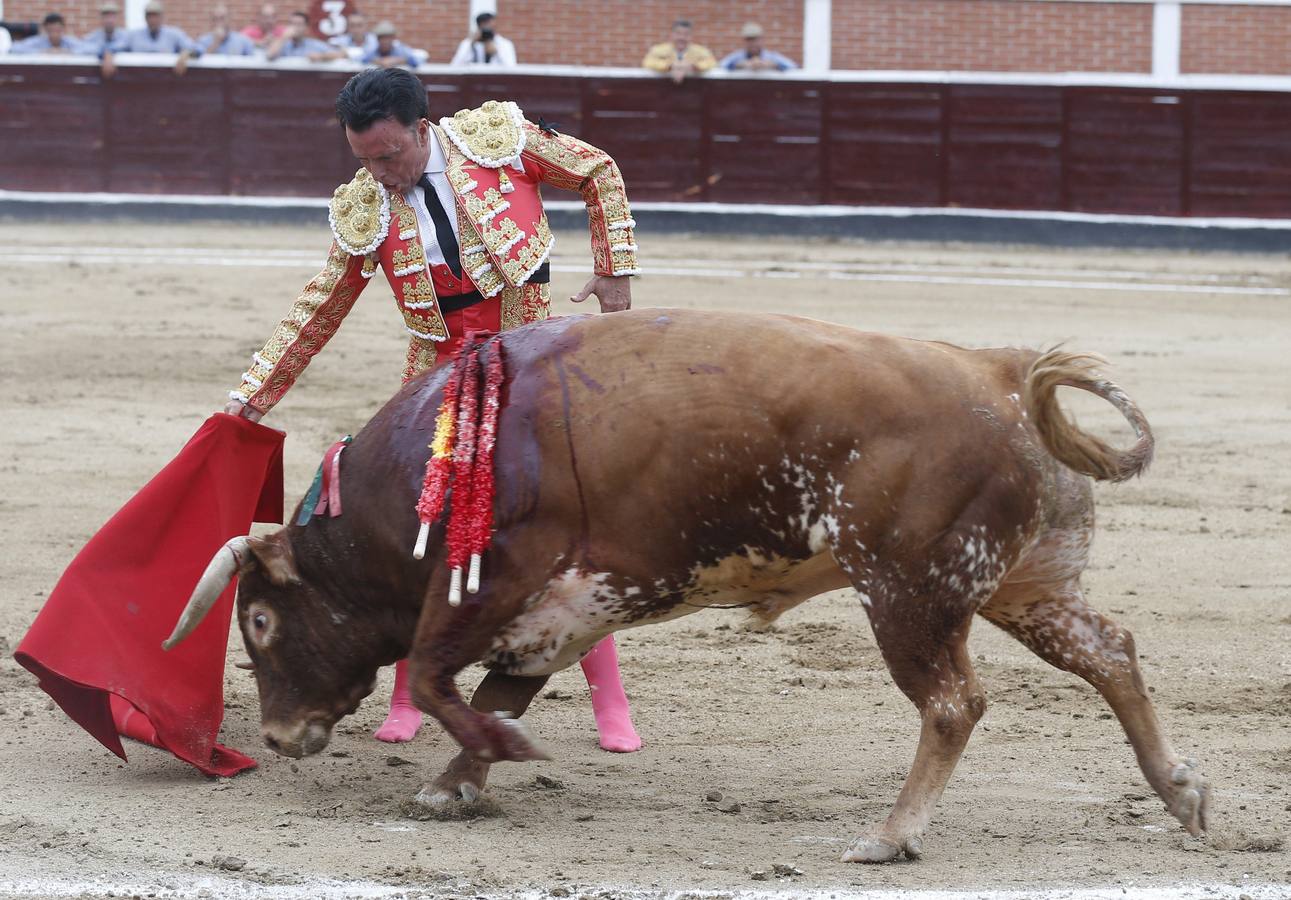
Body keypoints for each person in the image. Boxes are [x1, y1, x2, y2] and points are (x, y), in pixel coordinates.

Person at [221, 68, 643, 753]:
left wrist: (614, 267)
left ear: (423, 130)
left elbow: (598, 170)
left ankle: (610, 702)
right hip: (435, 380)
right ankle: (407, 696)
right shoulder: (366, 206)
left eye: (389, 156)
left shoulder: (497, 144)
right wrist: (250, 399)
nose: (380, 174)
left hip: (532, 360)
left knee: (569, 525)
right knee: (417, 531)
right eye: (363, 160)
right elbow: (316, 311)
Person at [642, 19, 715, 84]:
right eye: (678, 33)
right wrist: (670, 66)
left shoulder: (701, 51)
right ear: (672, 35)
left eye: (686, 34)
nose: (682, 37)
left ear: (691, 36)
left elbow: (712, 63)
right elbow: (647, 62)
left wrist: (693, 66)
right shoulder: (658, 49)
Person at [267, 11, 344, 62]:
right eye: (292, 24)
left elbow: (340, 54)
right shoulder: (283, 44)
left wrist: (321, 56)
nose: (295, 27)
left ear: (306, 27)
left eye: (299, 24)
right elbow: (270, 56)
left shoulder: (314, 45)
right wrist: (284, 37)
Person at [719, 22, 797, 72]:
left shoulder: (771, 56)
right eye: (749, 39)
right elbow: (721, 65)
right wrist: (740, 65)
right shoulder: (738, 56)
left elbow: (792, 66)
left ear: (761, 40)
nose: (752, 43)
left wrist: (773, 65)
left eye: (755, 39)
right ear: (744, 41)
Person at [450, 11, 515, 66]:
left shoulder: (504, 44)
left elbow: (511, 67)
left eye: (490, 26)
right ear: (478, 26)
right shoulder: (467, 43)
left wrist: (496, 52)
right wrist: (471, 44)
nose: (487, 29)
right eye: (484, 26)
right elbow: (455, 65)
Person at [10, 12, 88, 54]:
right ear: (45, 30)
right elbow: (14, 48)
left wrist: (68, 52)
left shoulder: (69, 41)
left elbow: (91, 49)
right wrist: (42, 52)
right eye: (51, 31)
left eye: (58, 31)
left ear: (64, 29)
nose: (54, 34)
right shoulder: (39, 41)